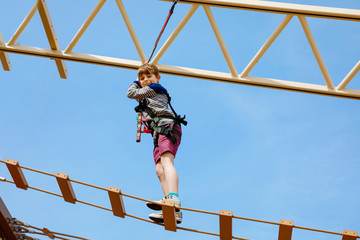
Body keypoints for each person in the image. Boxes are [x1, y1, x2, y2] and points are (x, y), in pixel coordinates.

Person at [127, 63, 186, 224]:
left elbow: (131, 93)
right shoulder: (148, 93)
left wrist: (136, 81)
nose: (145, 80)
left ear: (157, 78)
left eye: (148, 77)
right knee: (159, 169)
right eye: (142, 78)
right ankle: (173, 209)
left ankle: (173, 199)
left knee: (167, 162)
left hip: (167, 126)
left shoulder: (155, 88)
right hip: (158, 131)